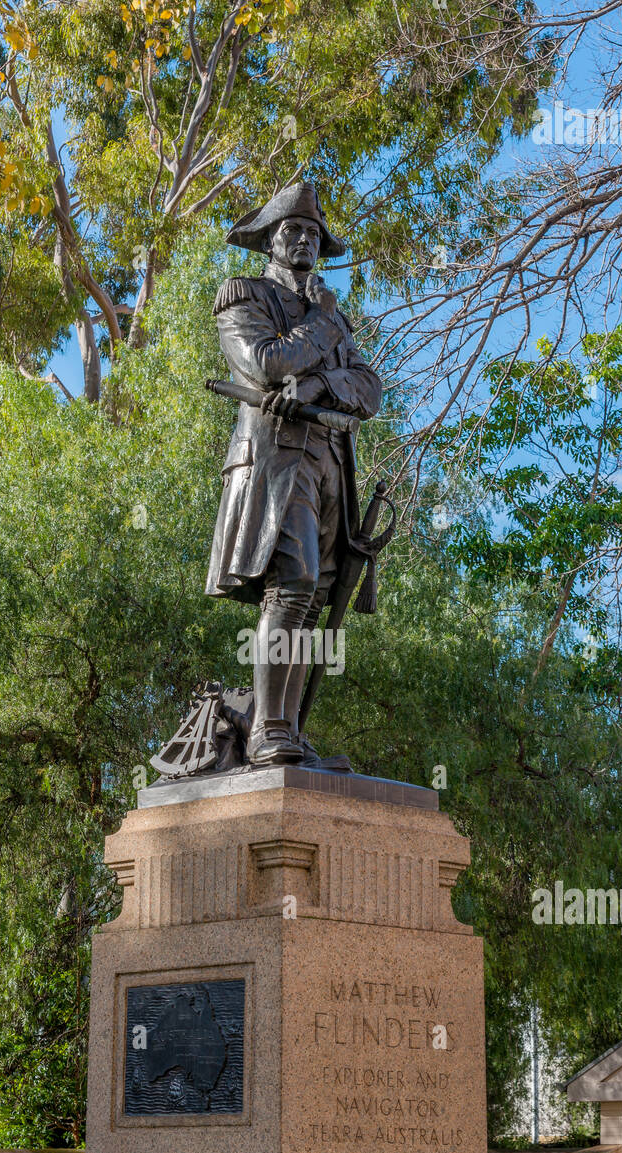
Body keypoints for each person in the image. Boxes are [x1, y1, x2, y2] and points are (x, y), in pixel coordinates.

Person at [206, 182, 383, 767]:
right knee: (295, 582)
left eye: (314, 233)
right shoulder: (245, 297)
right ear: (270, 240)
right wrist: (322, 335)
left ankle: (285, 729)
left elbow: (368, 388)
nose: (304, 240)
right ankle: (268, 728)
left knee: (317, 596)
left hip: (333, 463)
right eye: (293, 231)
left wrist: (314, 385)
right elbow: (263, 364)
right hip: (277, 461)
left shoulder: (332, 314)